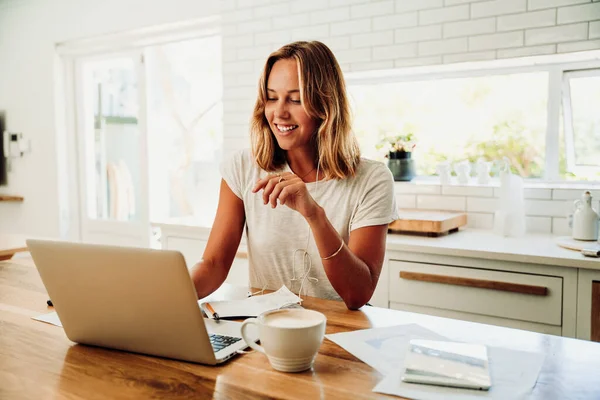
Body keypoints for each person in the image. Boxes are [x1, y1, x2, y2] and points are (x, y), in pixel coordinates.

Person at [191, 41, 398, 310]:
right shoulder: (243, 168)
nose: (279, 112)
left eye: (296, 99)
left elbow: (358, 294)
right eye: (272, 97)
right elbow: (213, 265)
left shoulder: (372, 180)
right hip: (269, 329)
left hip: (342, 331)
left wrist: (313, 213)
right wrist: (166, 295)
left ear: (326, 105)